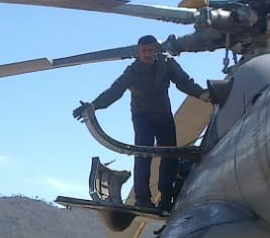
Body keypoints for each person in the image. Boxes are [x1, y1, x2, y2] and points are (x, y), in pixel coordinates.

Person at [72, 35, 210, 209]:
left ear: (156, 50)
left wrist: (203, 94)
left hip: (163, 115)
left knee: (170, 155)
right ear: (138, 52)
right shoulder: (132, 71)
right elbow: (114, 91)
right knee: (143, 153)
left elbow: (184, 82)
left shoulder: (167, 64)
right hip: (142, 116)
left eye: (151, 50)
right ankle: (142, 199)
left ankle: (167, 198)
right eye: (144, 51)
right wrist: (93, 105)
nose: (147, 54)